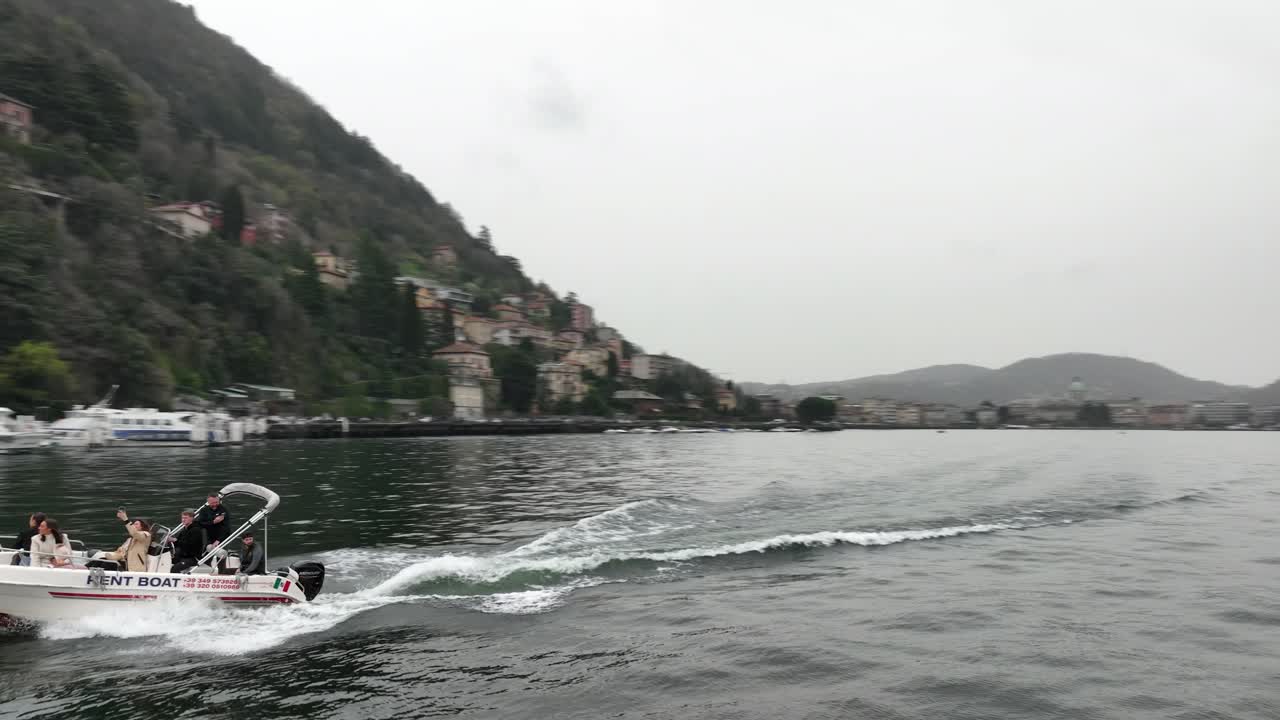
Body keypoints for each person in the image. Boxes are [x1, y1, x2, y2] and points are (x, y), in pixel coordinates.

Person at [167, 509, 206, 573]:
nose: (183, 520)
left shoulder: (196, 530)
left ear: (192, 518)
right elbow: (178, 543)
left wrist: (175, 540)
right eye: (182, 518)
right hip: (183, 555)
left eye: (185, 518)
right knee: (165, 561)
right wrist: (170, 541)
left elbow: (189, 545)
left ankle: (178, 581)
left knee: (174, 568)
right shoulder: (184, 529)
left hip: (193, 558)